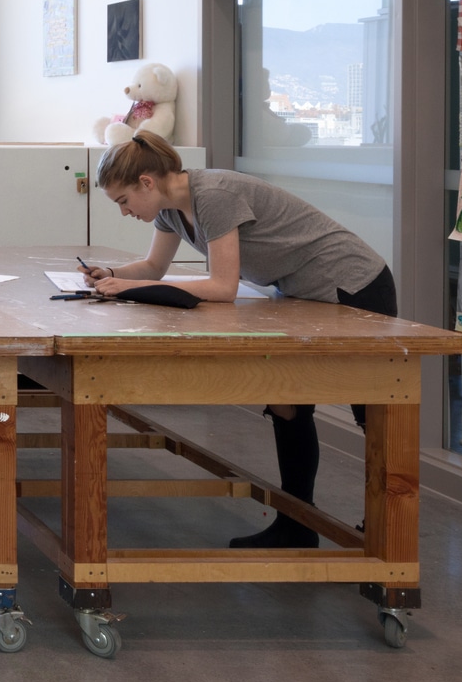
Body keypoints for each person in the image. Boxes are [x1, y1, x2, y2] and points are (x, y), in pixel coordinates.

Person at [85, 131, 393, 549]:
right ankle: (296, 524)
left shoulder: (213, 195)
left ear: (146, 183)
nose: (123, 212)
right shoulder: (171, 210)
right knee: (286, 405)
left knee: (372, 409)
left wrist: (129, 290)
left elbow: (222, 287)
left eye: (122, 200)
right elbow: (154, 266)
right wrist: (113, 275)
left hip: (353, 284)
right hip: (306, 293)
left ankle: (388, 529)